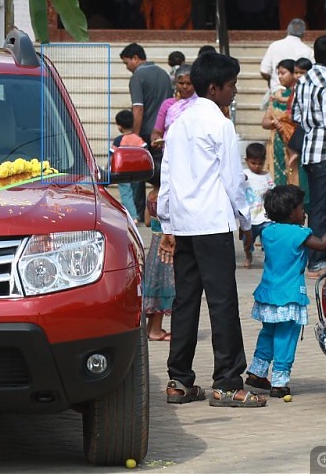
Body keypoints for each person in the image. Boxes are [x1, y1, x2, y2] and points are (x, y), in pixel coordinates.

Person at [157, 52, 266, 408]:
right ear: (215, 87)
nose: (234, 91)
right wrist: (247, 218)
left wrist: (167, 223)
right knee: (222, 302)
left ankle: (179, 381)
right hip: (212, 224)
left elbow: (167, 177)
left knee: (185, 301)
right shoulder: (219, 124)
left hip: (185, 223)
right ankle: (227, 383)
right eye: (232, 85)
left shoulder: (179, 123)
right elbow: (233, 180)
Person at [246, 185, 326, 398]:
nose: (304, 212)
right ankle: (280, 382)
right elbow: (322, 244)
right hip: (289, 296)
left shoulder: (267, 232)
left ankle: (257, 371)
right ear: (290, 212)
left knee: (268, 333)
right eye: (300, 208)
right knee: (286, 337)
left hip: (268, 294)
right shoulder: (299, 234)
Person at [291, 34, 326, 279]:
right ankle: (316, 262)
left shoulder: (305, 78)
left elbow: (296, 114)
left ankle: (322, 257)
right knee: (322, 209)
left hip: (310, 150)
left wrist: (313, 124)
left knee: (319, 208)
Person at [120, 42, 172, 219]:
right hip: (163, 132)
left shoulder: (137, 77)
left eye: (127, 63)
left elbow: (138, 108)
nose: (128, 68)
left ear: (136, 58)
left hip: (145, 132)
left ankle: (140, 212)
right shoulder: (164, 74)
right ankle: (162, 209)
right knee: (162, 173)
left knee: (139, 173)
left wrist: (134, 134)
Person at [144, 170, 174, 341]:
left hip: (154, 244)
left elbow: (147, 222)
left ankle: (150, 329)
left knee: (153, 284)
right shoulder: (166, 197)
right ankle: (156, 330)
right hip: (166, 246)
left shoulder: (150, 196)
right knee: (163, 286)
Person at [261, 59, 299, 185]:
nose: (280, 76)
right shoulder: (276, 96)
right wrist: (273, 123)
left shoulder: (299, 95)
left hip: (293, 145)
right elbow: (264, 122)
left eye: (283, 73)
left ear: (294, 73)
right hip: (276, 145)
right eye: (278, 73)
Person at [242, 142, 274, 268]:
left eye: (260, 163)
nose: (256, 166)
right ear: (247, 161)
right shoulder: (244, 175)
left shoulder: (266, 176)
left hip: (265, 215)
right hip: (250, 216)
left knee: (268, 240)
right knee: (248, 241)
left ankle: (268, 260)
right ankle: (248, 256)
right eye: (253, 163)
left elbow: (272, 189)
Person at [259, 19, 313, 95]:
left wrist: (273, 80)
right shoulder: (308, 51)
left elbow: (264, 71)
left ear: (287, 30)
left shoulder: (274, 46)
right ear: (304, 33)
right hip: (298, 93)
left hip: (276, 90)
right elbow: (311, 74)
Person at [111, 109, 146, 223]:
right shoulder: (139, 139)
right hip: (137, 171)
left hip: (123, 172)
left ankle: (133, 216)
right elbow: (144, 152)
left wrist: (109, 169)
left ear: (119, 126)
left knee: (126, 193)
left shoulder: (118, 140)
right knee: (136, 193)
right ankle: (137, 213)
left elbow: (113, 156)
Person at [152, 64, 196, 143]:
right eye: (181, 83)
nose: (185, 87)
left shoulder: (200, 103)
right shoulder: (167, 104)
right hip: (171, 149)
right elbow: (157, 131)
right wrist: (156, 139)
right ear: (175, 83)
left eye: (189, 83)